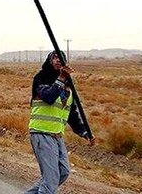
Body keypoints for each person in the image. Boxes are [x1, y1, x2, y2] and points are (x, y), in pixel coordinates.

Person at [25, 51, 96, 194]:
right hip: (41, 133)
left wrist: (84, 132)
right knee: (51, 179)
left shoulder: (68, 84)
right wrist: (62, 78)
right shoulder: (42, 77)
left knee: (63, 172)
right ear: (49, 60)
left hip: (57, 135)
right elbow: (49, 97)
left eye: (61, 58)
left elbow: (71, 113)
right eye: (55, 57)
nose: (58, 60)